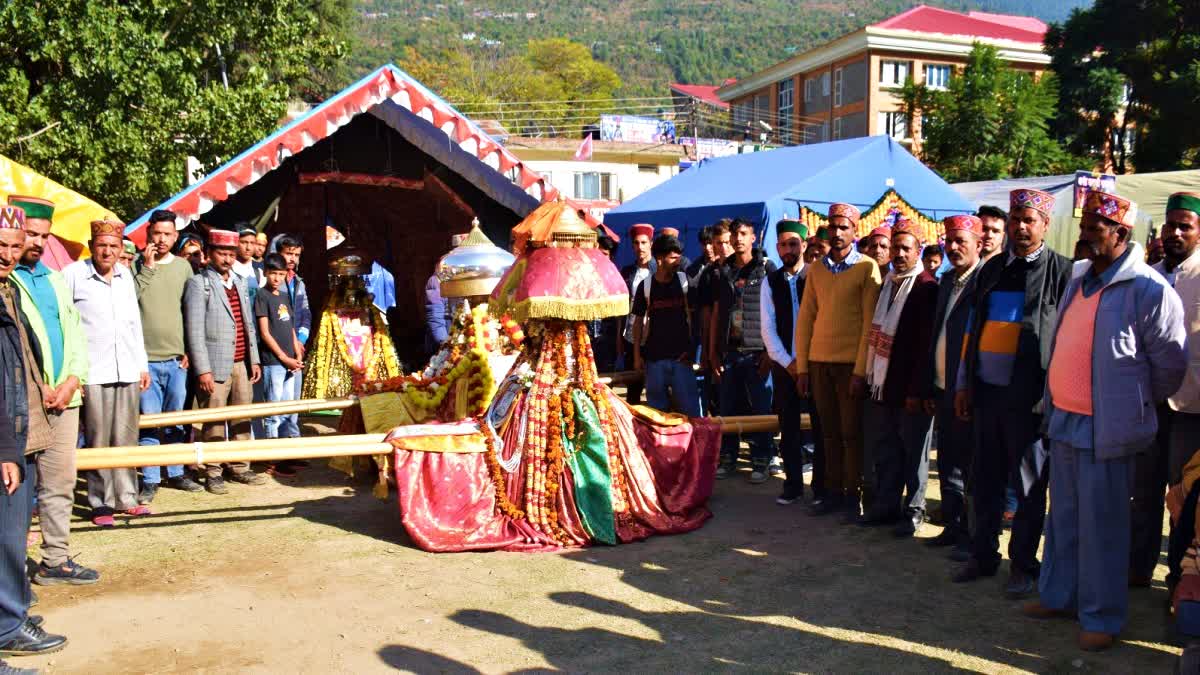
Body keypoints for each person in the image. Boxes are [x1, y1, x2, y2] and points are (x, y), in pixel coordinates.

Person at [1026, 190, 1186, 652]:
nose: (1085, 236)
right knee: (1065, 519)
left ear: (1121, 233)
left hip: (1107, 428)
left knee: (1104, 525)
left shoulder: (1150, 290)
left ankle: (1102, 616)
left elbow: (1170, 368)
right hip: (1067, 420)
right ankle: (1059, 595)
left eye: (1095, 228)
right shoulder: (1080, 279)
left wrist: (1131, 404)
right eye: (1084, 226)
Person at [953, 189, 1072, 598]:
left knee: (1028, 488)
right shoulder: (991, 270)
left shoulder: (1063, 272)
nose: (1021, 226)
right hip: (987, 394)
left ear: (1045, 225)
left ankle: (1022, 564)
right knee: (983, 480)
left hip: (1031, 400)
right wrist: (965, 384)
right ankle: (982, 554)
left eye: (1030, 220)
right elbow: (973, 329)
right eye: (1016, 218)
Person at [7, 196, 98, 584]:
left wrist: (72, 381)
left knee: (59, 483)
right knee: (18, 492)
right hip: (25, 401)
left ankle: (55, 559)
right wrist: (40, 386)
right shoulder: (6, 281)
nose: (37, 243)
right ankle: (11, 573)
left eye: (44, 236)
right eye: (30, 234)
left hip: (65, 399)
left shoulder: (56, 278)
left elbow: (75, 333)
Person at [0, 204, 68, 659]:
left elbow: (22, 358)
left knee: (17, 528)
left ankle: (13, 611)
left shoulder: (9, 290)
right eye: (0, 246)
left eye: (12, 245)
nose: (7, 254)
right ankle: (7, 628)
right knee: (6, 535)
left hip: (23, 427)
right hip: (6, 434)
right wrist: (5, 446)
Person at [793, 204, 882, 519]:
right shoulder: (817, 269)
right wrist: (802, 366)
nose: (838, 232)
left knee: (850, 433)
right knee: (827, 432)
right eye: (834, 227)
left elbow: (870, 324)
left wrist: (860, 370)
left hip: (849, 366)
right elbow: (805, 319)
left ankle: (851, 495)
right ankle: (831, 492)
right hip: (819, 362)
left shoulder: (868, 268)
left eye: (845, 227)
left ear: (855, 231)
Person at [63, 219, 151, 525]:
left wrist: (142, 363)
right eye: (102, 245)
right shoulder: (73, 275)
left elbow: (134, 325)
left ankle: (127, 497)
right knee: (99, 438)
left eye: (114, 246)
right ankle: (100, 503)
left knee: (126, 436)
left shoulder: (126, 276)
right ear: (91, 247)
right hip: (93, 371)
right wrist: (74, 373)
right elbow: (66, 326)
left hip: (126, 368)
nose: (108, 251)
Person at [858, 220, 939, 536]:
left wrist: (918, 391)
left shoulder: (927, 287)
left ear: (918, 250)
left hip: (911, 389)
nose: (899, 253)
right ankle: (886, 506)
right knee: (886, 447)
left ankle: (914, 511)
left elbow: (926, 347)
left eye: (906, 248)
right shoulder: (887, 284)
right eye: (896, 247)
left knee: (914, 451)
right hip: (883, 383)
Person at [183, 229, 267, 494]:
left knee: (242, 416)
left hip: (241, 361)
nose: (228, 259)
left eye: (231, 254)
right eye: (222, 253)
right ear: (210, 254)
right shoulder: (199, 284)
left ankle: (240, 466)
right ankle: (213, 470)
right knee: (215, 419)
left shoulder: (240, 282)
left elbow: (248, 324)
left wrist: (253, 358)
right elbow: (194, 330)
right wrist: (203, 370)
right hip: (214, 365)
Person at [920, 215, 985, 553]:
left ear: (979, 243)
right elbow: (936, 333)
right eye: (950, 241)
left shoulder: (985, 282)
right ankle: (952, 525)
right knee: (947, 460)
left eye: (962, 241)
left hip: (968, 390)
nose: (955, 247)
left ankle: (971, 533)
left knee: (971, 464)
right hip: (942, 385)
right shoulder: (947, 280)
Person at [1150, 192, 1200, 593]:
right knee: (1142, 491)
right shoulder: (1148, 275)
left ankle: (1180, 580)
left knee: (1182, 498)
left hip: (1190, 405)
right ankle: (1136, 567)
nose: (1177, 233)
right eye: (1172, 225)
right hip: (1147, 403)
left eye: (1186, 225)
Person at [134, 209, 201, 502]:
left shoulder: (184, 267)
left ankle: (175, 472)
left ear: (175, 236)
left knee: (175, 419)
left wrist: (189, 349)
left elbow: (190, 312)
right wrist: (146, 267)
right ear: (148, 235)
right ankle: (150, 479)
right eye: (155, 234)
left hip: (176, 360)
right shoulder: (135, 264)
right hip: (144, 360)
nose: (160, 240)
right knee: (149, 420)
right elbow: (128, 301)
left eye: (166, 234)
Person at [710, 218, 777, 482]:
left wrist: (770, 352)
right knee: (727, 407)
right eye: (735, 234)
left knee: (761, 408)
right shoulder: (722, 270)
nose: (738, 239)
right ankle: (728, 459)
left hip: (757, 352)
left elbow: (776, 313)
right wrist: (713, 352)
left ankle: (761, 460)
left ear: (753, 238)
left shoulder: (766, 269)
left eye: (743, 234)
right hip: (729, 352)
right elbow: (716, 313)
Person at [761, 219, 821, 505]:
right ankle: (793, 485)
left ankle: (822, 488)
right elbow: (767, 328)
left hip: (817, 363)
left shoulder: (816, 276)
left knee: (821, 428)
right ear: (776, 248)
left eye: (793, 244)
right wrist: (790, 363)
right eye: (783, 244)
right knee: (789, 429)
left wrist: (807, 363)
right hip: (784, 366)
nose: (788, 249)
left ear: (804, 245)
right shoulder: (769, 281)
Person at [631, 234, 700, 418]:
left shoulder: (685, 282)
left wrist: (693, 351)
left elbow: (698, 318)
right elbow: (637, 323)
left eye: (679, 255)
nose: (679, 260)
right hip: (654, 362)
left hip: (682, 360)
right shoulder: (645, 286)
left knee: (691, 416)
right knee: (657, 417)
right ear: (659, 259)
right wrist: (637, 356)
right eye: (673, 256)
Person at [255, 253, 305, 474]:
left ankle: (286, 454)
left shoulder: (284, 296)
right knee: (273, 412)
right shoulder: (261, 296)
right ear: (265, 272)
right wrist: (283, 358)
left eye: (281, 274)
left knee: (287, 410)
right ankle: (271, 459)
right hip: (273, 362)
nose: (276, 278)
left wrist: (297, 351)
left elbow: (291, 327)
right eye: (273, 273)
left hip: (290, 360)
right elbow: (265, 333)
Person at [274, 234, 310, 445]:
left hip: (297, 349)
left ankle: (293, 445)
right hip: (277, 349)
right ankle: (276, 452)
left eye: (296, 255)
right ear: (278, 253)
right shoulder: (268, 279)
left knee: (294, 401)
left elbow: (306, 313)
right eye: (288, 253)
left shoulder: (298, 282)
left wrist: (301, 340)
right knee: (277, 402)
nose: (292, 259)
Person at [619, 224, 655, 404]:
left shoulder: (659, 270)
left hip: (654, 335)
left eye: (643, 242)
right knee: (632, 387)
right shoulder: (627, 272)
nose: (640, 247)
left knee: (655, 389)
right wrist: (619, 336)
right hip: (631, 336)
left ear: (651, 244)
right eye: (636, 243)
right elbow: (621, 306)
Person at [232, 225, 262, 302]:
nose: (248, 248)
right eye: (244, 242)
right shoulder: (227, 271)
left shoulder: (259, 272)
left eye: (252, 243)